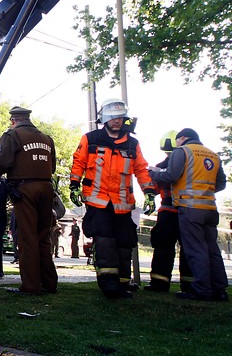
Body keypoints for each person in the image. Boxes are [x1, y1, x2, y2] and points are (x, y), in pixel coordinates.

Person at [69, 98, 156, 299]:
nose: (116, 121)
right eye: (112, 117)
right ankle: (108, 283)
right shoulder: (90, 139)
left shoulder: (132, 143)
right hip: (98, 200)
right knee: (105, 240)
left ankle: (123, 282)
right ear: (104, 119)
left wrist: (149, 192)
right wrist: (74, 185)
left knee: (125, 243)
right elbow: (78, 163)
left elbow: (141, 169)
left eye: (120, 117)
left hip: (123, 203)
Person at [148, 128, 228, 301]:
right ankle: (220, 290)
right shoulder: (212, 154)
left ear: (182, 138)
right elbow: (221, 184)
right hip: (210, 209)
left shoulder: (182, 151)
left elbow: (171, 175)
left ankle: (201, 290)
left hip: (189, 208)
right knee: (212, 250)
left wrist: (152, 173)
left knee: (195, 250)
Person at [0, 106, 58, 295]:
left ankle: (30, 286)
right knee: (43, 237)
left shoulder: (12, 136)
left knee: (27, 237)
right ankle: (49, 283)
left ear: (13, 120)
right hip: (46, 189)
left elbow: (3, 162)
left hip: (24, 189)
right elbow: (51, 167)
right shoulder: (47, 138)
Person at [144, 130, 193, 293]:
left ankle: (159, 283)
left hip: (168, 212)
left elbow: (154, 188)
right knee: (188, 248)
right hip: (186, 211)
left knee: (163, 247)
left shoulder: (160, 168)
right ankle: (189, 285)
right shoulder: (189, 167)